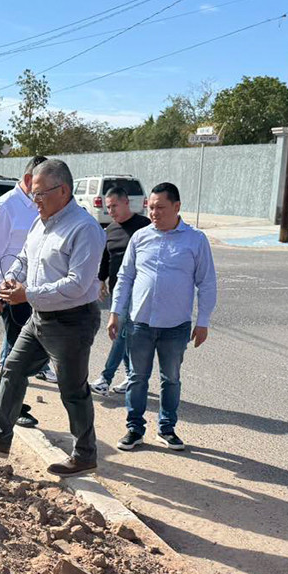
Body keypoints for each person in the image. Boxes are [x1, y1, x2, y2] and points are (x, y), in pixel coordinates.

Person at [0, 158, 105, 475]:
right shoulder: (42, 222)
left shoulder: (85, 229)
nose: (34, 200)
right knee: (13, 368)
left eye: (40, 193)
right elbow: (24, 258)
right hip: (40, 317)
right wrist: (10, 279)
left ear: (63, 190)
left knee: (72, 389)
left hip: (72, 320)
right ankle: (0, 436)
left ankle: (84, 454)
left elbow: (78, 284)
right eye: (33, 193)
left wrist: (28, 294)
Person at [108, 182, 216, 452]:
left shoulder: (195, 240)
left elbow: (207, 283)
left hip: (175, 326)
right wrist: (115, 313)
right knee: (137, 378)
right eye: (151, 207)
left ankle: (167, 429)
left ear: (177, 207)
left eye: (160, 208)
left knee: (171, 379)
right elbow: (125, 277)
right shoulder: (141, 237)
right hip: (139, 323)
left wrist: (203, 321)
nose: (154, 213)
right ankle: (134, 429)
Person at [0, 155, 46, 428]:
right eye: (43, 184)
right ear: (30, 179)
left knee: (22, 349)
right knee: (16, 349)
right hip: (11, 292)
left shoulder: (42, 205)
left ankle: (1, 397)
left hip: (36, 291)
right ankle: (9, 404)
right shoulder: (5, 206)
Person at [91, 186, 150, 396]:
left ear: (126, 202)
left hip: (138, 292)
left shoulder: (144, 226)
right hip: (118, 292)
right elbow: (106, 259)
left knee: (120, 333)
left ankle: (105, 378)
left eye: (114, 205)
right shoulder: (111, 230)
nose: (111, 211)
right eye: (108, 207)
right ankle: (131, 376)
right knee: (124, 335)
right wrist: (100, 281)